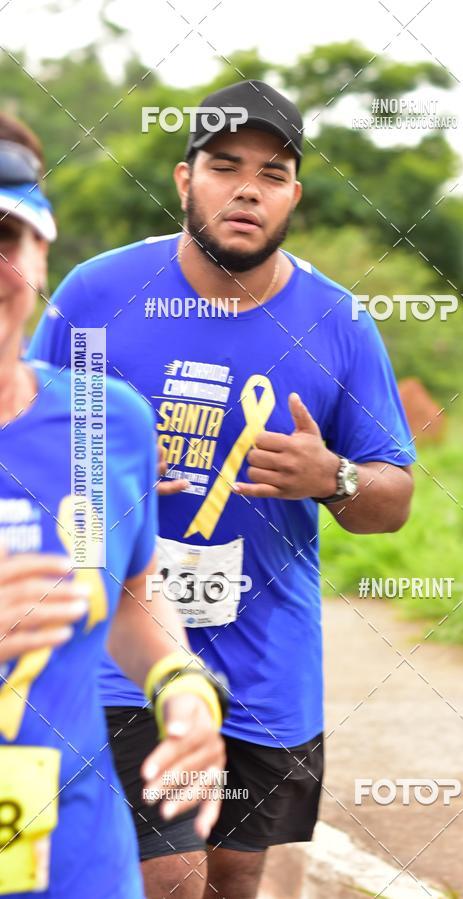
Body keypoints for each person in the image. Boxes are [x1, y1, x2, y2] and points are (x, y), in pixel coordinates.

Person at [28, 79, 416, 899]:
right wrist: (97, 476)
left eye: (273, 174)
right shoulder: (95, 296)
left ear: (294, 197)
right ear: (184, 179)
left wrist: (333, 476)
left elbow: (394, 500)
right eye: (225, 166)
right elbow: (21, 439)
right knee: (170, 875)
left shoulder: (340, 321)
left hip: (270, 660)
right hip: (123, 650)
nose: (248, 189)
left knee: (236, 880)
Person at [0, 114, 227, 898]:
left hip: (80, 863)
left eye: (5, 236)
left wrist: (182, 687)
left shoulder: (110, 422)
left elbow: (130, 589)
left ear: (42, 253)